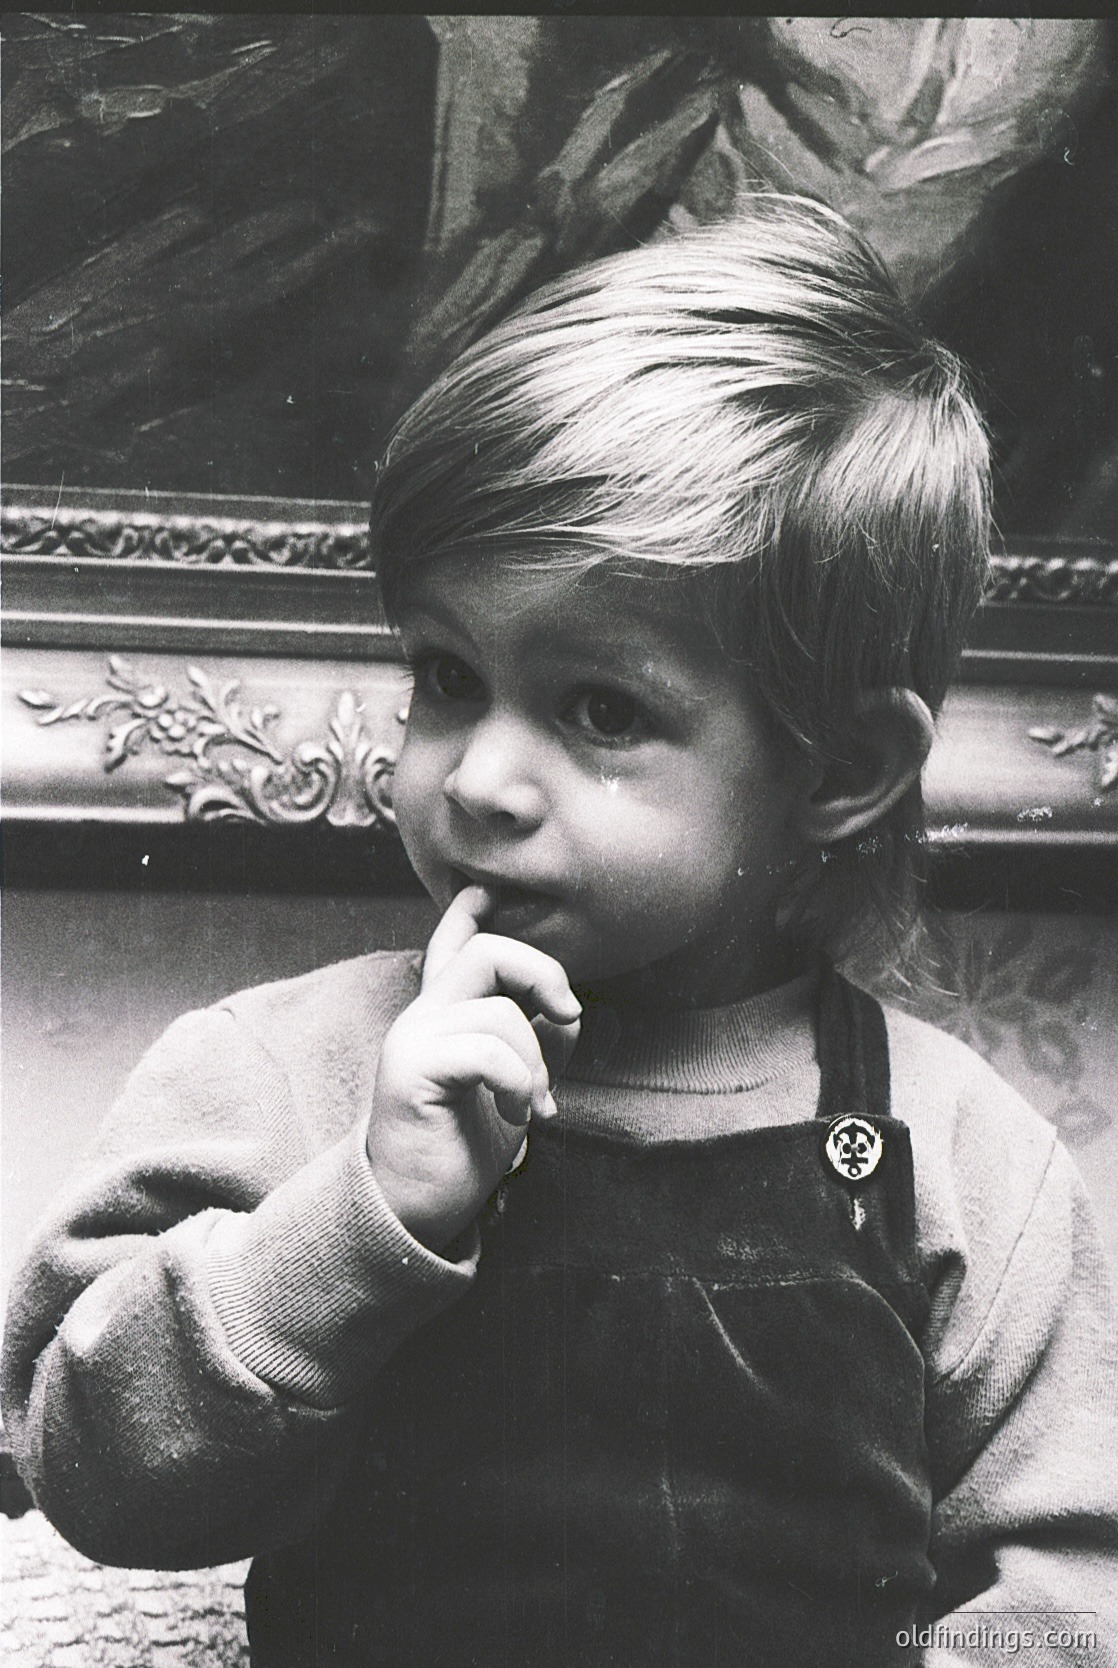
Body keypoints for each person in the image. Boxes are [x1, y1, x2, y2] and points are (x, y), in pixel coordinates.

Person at [3, 195, 1116, 1668]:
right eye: (447, 676)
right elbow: (90, 1478)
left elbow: (1068, 1586)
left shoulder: (962, 1154)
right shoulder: (280, 1072)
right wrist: (367, 1215)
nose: (476, 777)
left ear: (839, 774)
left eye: (601, 709)